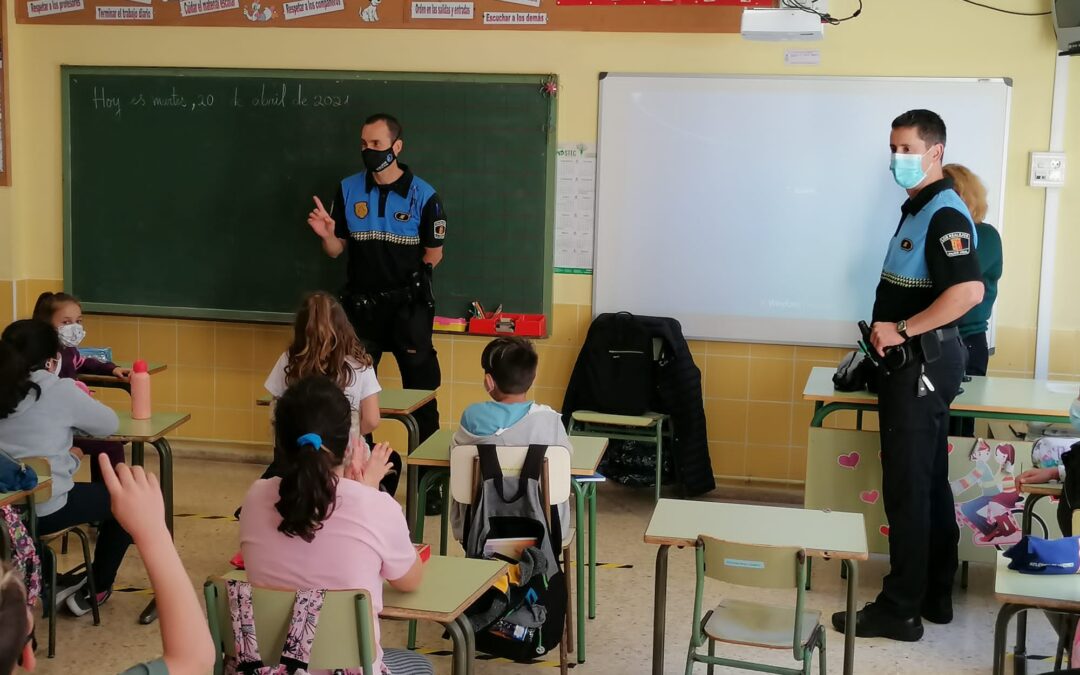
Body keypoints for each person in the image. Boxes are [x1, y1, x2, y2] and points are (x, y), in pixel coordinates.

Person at [833, 109, 984, 642]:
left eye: (907, 149)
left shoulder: (943, 212)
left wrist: (901, 327)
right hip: (919, 365)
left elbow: (968, 292)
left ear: (935, 152)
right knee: (926, 483)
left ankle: (899, 609)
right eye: (892, 148)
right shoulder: (919, 208)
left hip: (920, 366)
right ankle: (934, 595)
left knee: (907, 488)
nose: (897, 159)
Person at [239, 375, 432, 675]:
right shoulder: (375, 507)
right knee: (420, 664)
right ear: (351, 442)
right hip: (347, 670)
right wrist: (366, 491)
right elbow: (410, 581)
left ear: (280, 441)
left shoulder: (254, 498)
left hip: (270, 670)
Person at [306, 113, 445, 470]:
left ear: (396, 147)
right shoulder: (349, 188)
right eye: (364, 144)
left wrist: (407, 285)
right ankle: (360, 469)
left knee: (421, 393)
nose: (368, 150)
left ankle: (429, 477)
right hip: (360, 311)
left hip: (408, 310)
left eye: (377, 144)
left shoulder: (423, 195)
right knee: (351, 393)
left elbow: (433, 253)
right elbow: (338, 250)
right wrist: (327, 237)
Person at [0, 456, 216, 675]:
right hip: (49, 505)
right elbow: (194, 659)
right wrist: (153, 532)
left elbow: (194, 658)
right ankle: (99, 586)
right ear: (26, 653)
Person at [0, 319, 130, 617]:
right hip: (46, 510)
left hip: (3, 517)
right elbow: (108, 424)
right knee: (124, 501)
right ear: (51, 359)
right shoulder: (59, 390)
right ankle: (97, 585)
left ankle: (44, 577)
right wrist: (72, 455)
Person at [262, 292, 392, 489]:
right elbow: (372, 420)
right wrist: (345, 435)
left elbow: (276, 413)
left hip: (298, 453)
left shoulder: (289, 360)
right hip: (347, 459)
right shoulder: (360, 363)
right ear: (343, 327)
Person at [451, 337, 572, 541]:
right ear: (534, 376)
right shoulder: (550, 421)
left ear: (489, 381)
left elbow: (456, 459)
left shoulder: (472, 416)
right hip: (544, 525)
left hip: (479, 525)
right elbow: (566, 463)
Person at [32, 291, 129, 483]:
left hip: (68, 420)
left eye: (78, 321)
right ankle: (109, 498)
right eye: (66, 322)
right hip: (59, 427)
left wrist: (112, 369)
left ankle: (104, 493)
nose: (74, 328)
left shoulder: (68, 351)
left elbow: (84, 362)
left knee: (110, 439)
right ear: (46, 325)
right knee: (111, 444)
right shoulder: (48, 357)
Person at [942, 164, 1003, 437]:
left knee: (959, 431)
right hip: (932, 341)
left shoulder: (985, 236)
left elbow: (958, 286)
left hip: (966, 340)